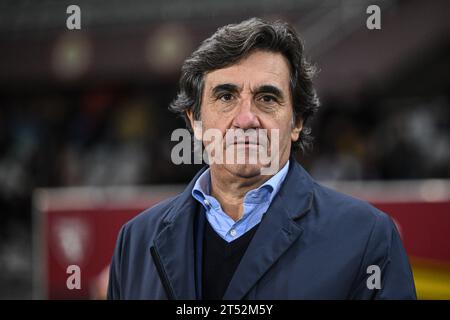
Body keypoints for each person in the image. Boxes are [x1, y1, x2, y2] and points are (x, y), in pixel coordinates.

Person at [107, 17, 416, 299]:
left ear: (297, 123)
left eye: (267, 98)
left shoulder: (367, 237)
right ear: (195, 122)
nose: (246, 119)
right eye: (226, 96)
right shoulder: (135, 242)